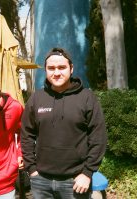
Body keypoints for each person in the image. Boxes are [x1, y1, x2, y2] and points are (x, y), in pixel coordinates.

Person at [21, 47, 107, 199]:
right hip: (41, 181)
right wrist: (32, 169)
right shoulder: (36, 99)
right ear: (46, 70)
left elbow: (98, 138)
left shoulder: (87, 98)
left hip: (75, 181)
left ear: (71, 68)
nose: (56, 73)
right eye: (51, 68)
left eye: (62, 67)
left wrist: (87, 173)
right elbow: (27, 134)